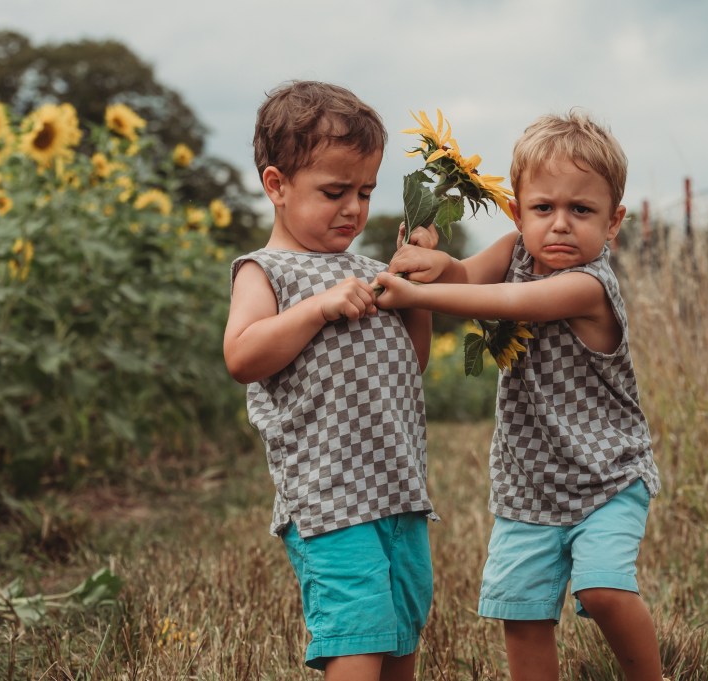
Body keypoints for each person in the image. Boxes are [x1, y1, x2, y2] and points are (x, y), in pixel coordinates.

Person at [375, 110, 664, 681]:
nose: (560, 225)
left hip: (607, 477)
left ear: (614, 223)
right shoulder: (513, 252)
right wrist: (433, 260)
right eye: (543, 208)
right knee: (523, 613)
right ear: (517, 212)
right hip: (527, 483)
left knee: (603, 589)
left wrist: (414, 292)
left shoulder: (589, 286)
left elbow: (502, 304)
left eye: (581, 210)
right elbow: (464, 279)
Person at [223, 80, 439, 681]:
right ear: (276, 186)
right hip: (328, 500)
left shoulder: (369, 272)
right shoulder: (264, 272)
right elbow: (241, 355)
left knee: (400, 637)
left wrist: (414, 295)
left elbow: (409, 363)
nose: (354, 208)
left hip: (399, 491)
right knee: (357, 638)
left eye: (365, 191)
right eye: (335, 191)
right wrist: (317, 307)